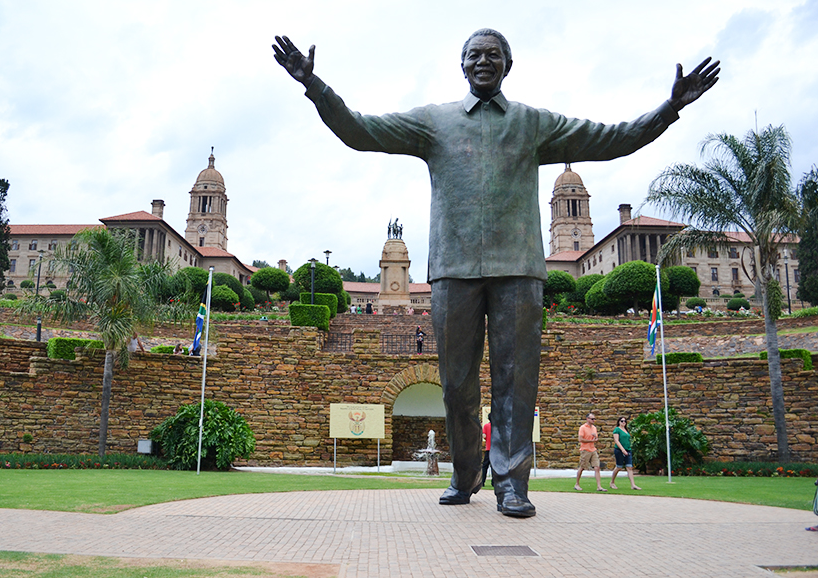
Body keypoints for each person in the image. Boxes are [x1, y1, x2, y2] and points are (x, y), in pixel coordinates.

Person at [273, 30, 718, 519]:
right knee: (456, 383)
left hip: (519, 268)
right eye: (474, 55)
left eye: (493, 56)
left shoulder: (532, 123)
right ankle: (465, 474)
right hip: (453, 270)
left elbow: (612, 139)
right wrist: (314, 84)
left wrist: (669, 108)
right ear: (461, 65)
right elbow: (360, 131)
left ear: (509, 64)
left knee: (517, 382)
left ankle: (511, 483)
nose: (483, 62)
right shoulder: (432, 122)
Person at [575, 412, 606, 492]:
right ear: (587, 419)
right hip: (585, 450)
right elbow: (580, 439)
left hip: (593, 449)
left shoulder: (594, 428)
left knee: (597, 467)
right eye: (592, 419)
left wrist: (595, 439)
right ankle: (577, 484)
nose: (593, 420)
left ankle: (599, 486)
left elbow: (595, 439)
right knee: (582, 467)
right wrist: (590, 441)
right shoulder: (582, 427)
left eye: (594, 419)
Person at [610, 416, 641, 490]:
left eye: (625, 421)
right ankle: (612, 482)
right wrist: (623, 450)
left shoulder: (626, 430)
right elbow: (616, 441)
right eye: (622, 421)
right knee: (619, 467)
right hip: (619, 450)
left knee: (629, 467)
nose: (623, 422)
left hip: (628, 449)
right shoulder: (617, 429)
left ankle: (633, 485)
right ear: (619, 422)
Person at [480, 420, 492, 488]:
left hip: (488, 448)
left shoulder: (486, 426)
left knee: (485, 466)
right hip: (496, 450)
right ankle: (494, 482)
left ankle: (482, 481)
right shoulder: (497, 426)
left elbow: (484, 436)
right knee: (495, 467)